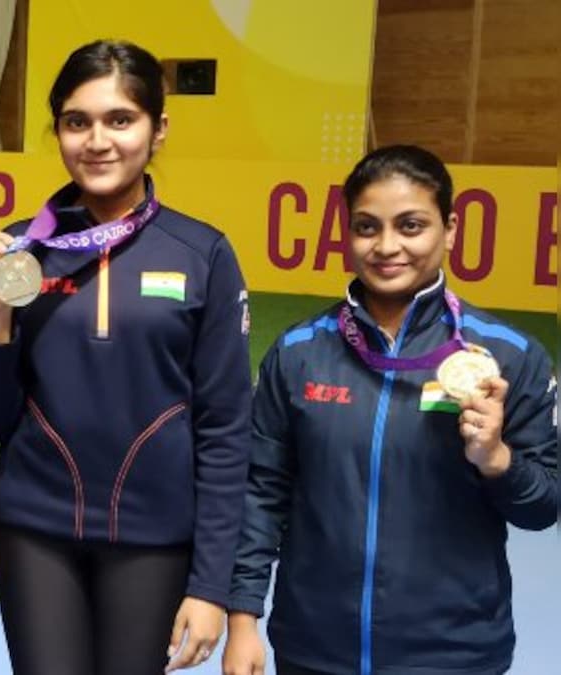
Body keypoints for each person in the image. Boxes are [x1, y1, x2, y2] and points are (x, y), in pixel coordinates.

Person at [0, 40, 253, 675]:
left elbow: (226, 431)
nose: (98, 141)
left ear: (158, 128)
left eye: (120, 120)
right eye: (77, 122)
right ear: (58, 131)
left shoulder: (201, 253)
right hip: (33, 529)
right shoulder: (19, 255)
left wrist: (210, 586)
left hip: (154, 536)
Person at [223, 145, 559, 675]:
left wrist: (496, 459)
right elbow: (260, 493)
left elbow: (543, 507)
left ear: (449, 229)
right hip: (314, 648)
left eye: (410, 226)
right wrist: (242, 619)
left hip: (454, 653)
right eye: (366, 227)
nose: (387, 246)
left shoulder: (509, 356)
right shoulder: (299, 351)